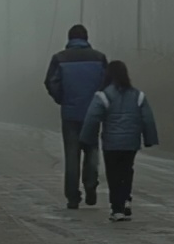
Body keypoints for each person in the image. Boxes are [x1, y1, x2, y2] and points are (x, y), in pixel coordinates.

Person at [80, 60, 159, 222]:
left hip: (111, 143)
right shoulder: (138, 96)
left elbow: (92, 119)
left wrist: (86, 139)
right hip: (131, 143)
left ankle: (117, 209)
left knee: (113, 174)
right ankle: (126, 198)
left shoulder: (103, 96)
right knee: (127, 170)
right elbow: (148, 119)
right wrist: (150, 139)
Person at [44, 24, 108, 209]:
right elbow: (107, 83)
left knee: (72, 155)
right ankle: (90, 185)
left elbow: (50, 82)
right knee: (91, 151)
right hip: (93, 113)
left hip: (70, 114)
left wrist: (61, 99)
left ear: (69, 38)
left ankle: (73, 197)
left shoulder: (59, 58)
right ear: (86, 38)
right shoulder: (99, 58)